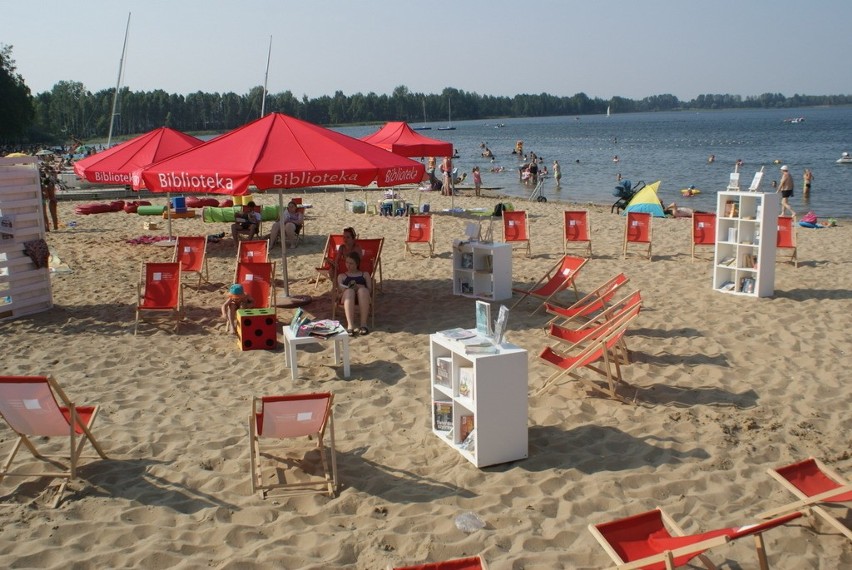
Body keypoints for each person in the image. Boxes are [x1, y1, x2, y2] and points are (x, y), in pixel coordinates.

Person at [337, 251, 371, 336]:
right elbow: (341, 292)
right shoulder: (342, 276)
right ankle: (350, 325)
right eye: (347, 262)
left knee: (363, 290)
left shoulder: (365, 274)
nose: (348, 265)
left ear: (357, 264)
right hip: (347, 297)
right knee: (349, 291)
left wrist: (359, 287)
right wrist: (350, 288)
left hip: (363, 296)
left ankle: (363, 325)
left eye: (351, 263)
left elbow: (369, 290)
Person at [39, 164, 60, 231]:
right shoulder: (52, 184)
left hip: (48, 200)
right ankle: (55, 227)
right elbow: (53, 175)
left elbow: (46, 195)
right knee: (54, 214)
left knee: (44, 214)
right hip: (53, 199)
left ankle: (47, 228)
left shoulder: (44, 186)